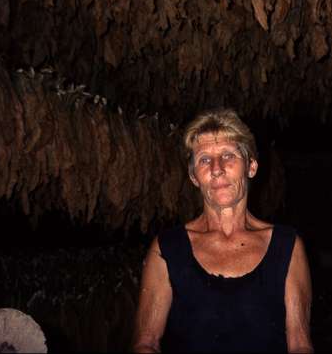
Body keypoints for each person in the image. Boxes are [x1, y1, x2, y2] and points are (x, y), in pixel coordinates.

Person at [132, 108, 313, 353]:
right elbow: (146, 343)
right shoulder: (168, 249)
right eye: (205, 159)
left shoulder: (287, 246)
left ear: (251, 167)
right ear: (194, 176)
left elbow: (300, 345)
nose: (217, 168)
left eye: (228, 156)